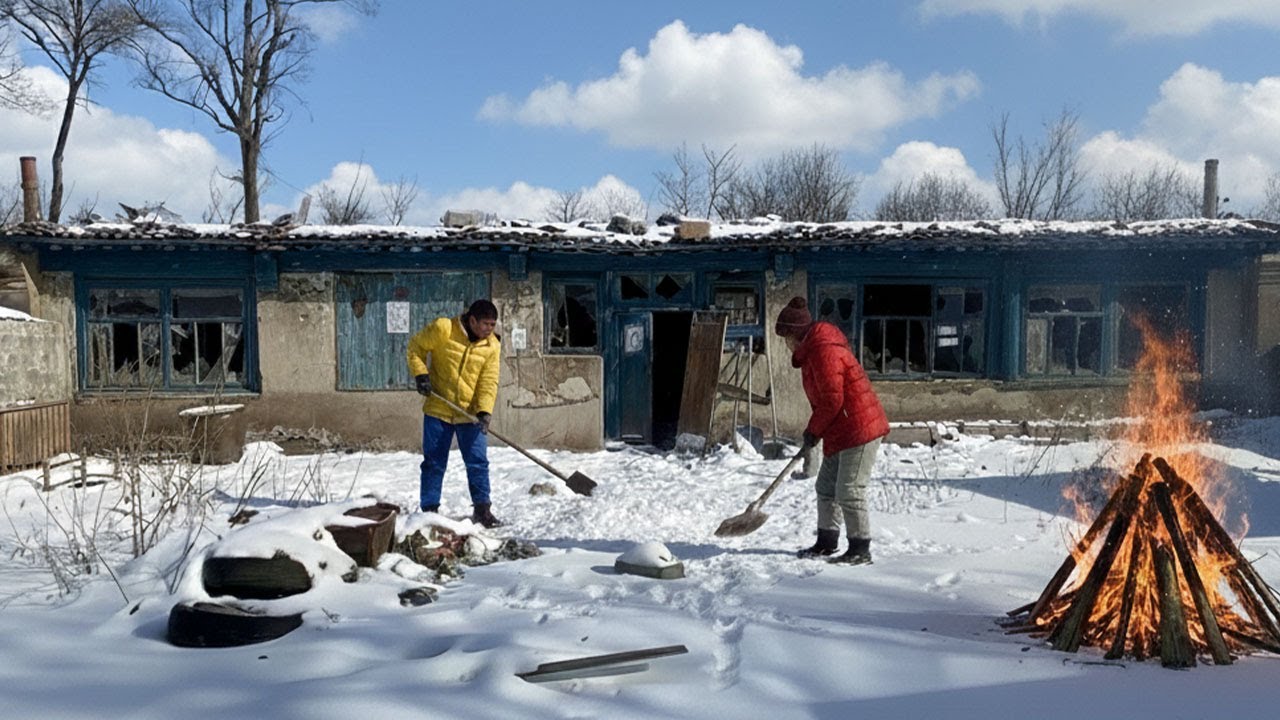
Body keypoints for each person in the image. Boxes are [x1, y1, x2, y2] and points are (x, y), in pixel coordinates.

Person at [775, 296, 889, 564]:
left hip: (859, 428)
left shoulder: (824, 350)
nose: (785, 342)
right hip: (841, 427)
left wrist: (813, 430)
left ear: (797, 332)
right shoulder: (813, 350)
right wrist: (817, 430)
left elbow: (832, 399)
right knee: (826, 487)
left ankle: (860, 548)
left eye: (786, 336)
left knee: (850, 489)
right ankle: (826, 542)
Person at [407, 299, 503, 528]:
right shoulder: (444, 329)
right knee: (434, 462)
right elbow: (415, 348)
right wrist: (421, 375)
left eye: (493, 325)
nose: (489, 330)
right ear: (472, 320)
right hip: (438, 409)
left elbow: (489, 380)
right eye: (486, 324)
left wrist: (484, 410)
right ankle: (429, 510)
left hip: (469, 414)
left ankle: (482, 510)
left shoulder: (492, 346)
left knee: (478, 462)